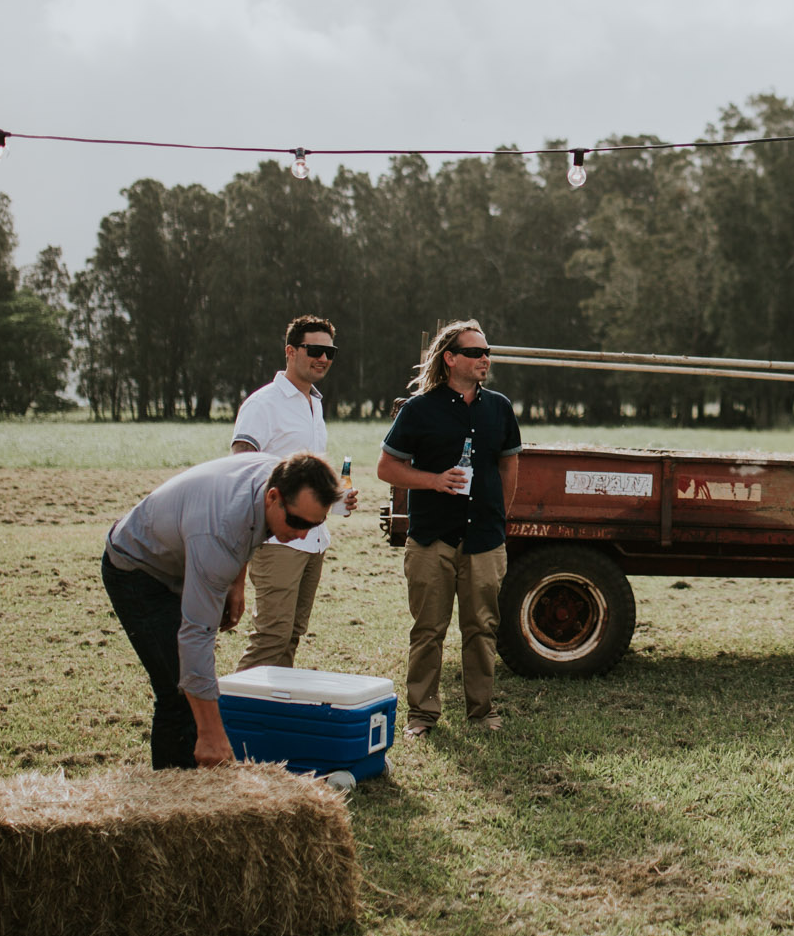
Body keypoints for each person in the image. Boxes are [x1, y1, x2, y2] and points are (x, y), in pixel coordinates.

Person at [101, 452, 339, 769]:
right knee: (178, 692)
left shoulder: (278, 475)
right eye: (297, 522)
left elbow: (248, 527)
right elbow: (196, 634)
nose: (302, 535)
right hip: (137, 567)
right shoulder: (220, 531)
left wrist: (236, 583)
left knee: (190, 692)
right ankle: (174, 800)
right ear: (274, 497)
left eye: (316, 524)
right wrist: (212, 733)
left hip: (184, 552)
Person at [377, 319, 521, 736]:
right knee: (428, 631)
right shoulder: (420, 409)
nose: (485, 359)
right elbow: (388, 467)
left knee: (482, 631)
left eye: (487, 352)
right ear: (450, 358)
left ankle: (482, 712)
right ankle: (422, 714)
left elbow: (510, 461)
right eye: (475, 352)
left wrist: (500, 514)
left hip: (484, 541)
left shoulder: (499, 407)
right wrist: (433, 481)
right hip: (431, 539)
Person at [230, 315, 357, 671]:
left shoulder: (314, 403)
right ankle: (232, 717)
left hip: (314, 540)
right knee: (271, 636)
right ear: (290, 351)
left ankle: (271, 717)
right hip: (276, 541)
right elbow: (242, 471)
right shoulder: (263, 404)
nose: (324, 358)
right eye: (315, 350)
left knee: (292, 635)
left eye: (330, 352)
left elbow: (305, 478)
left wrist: (335, 499)